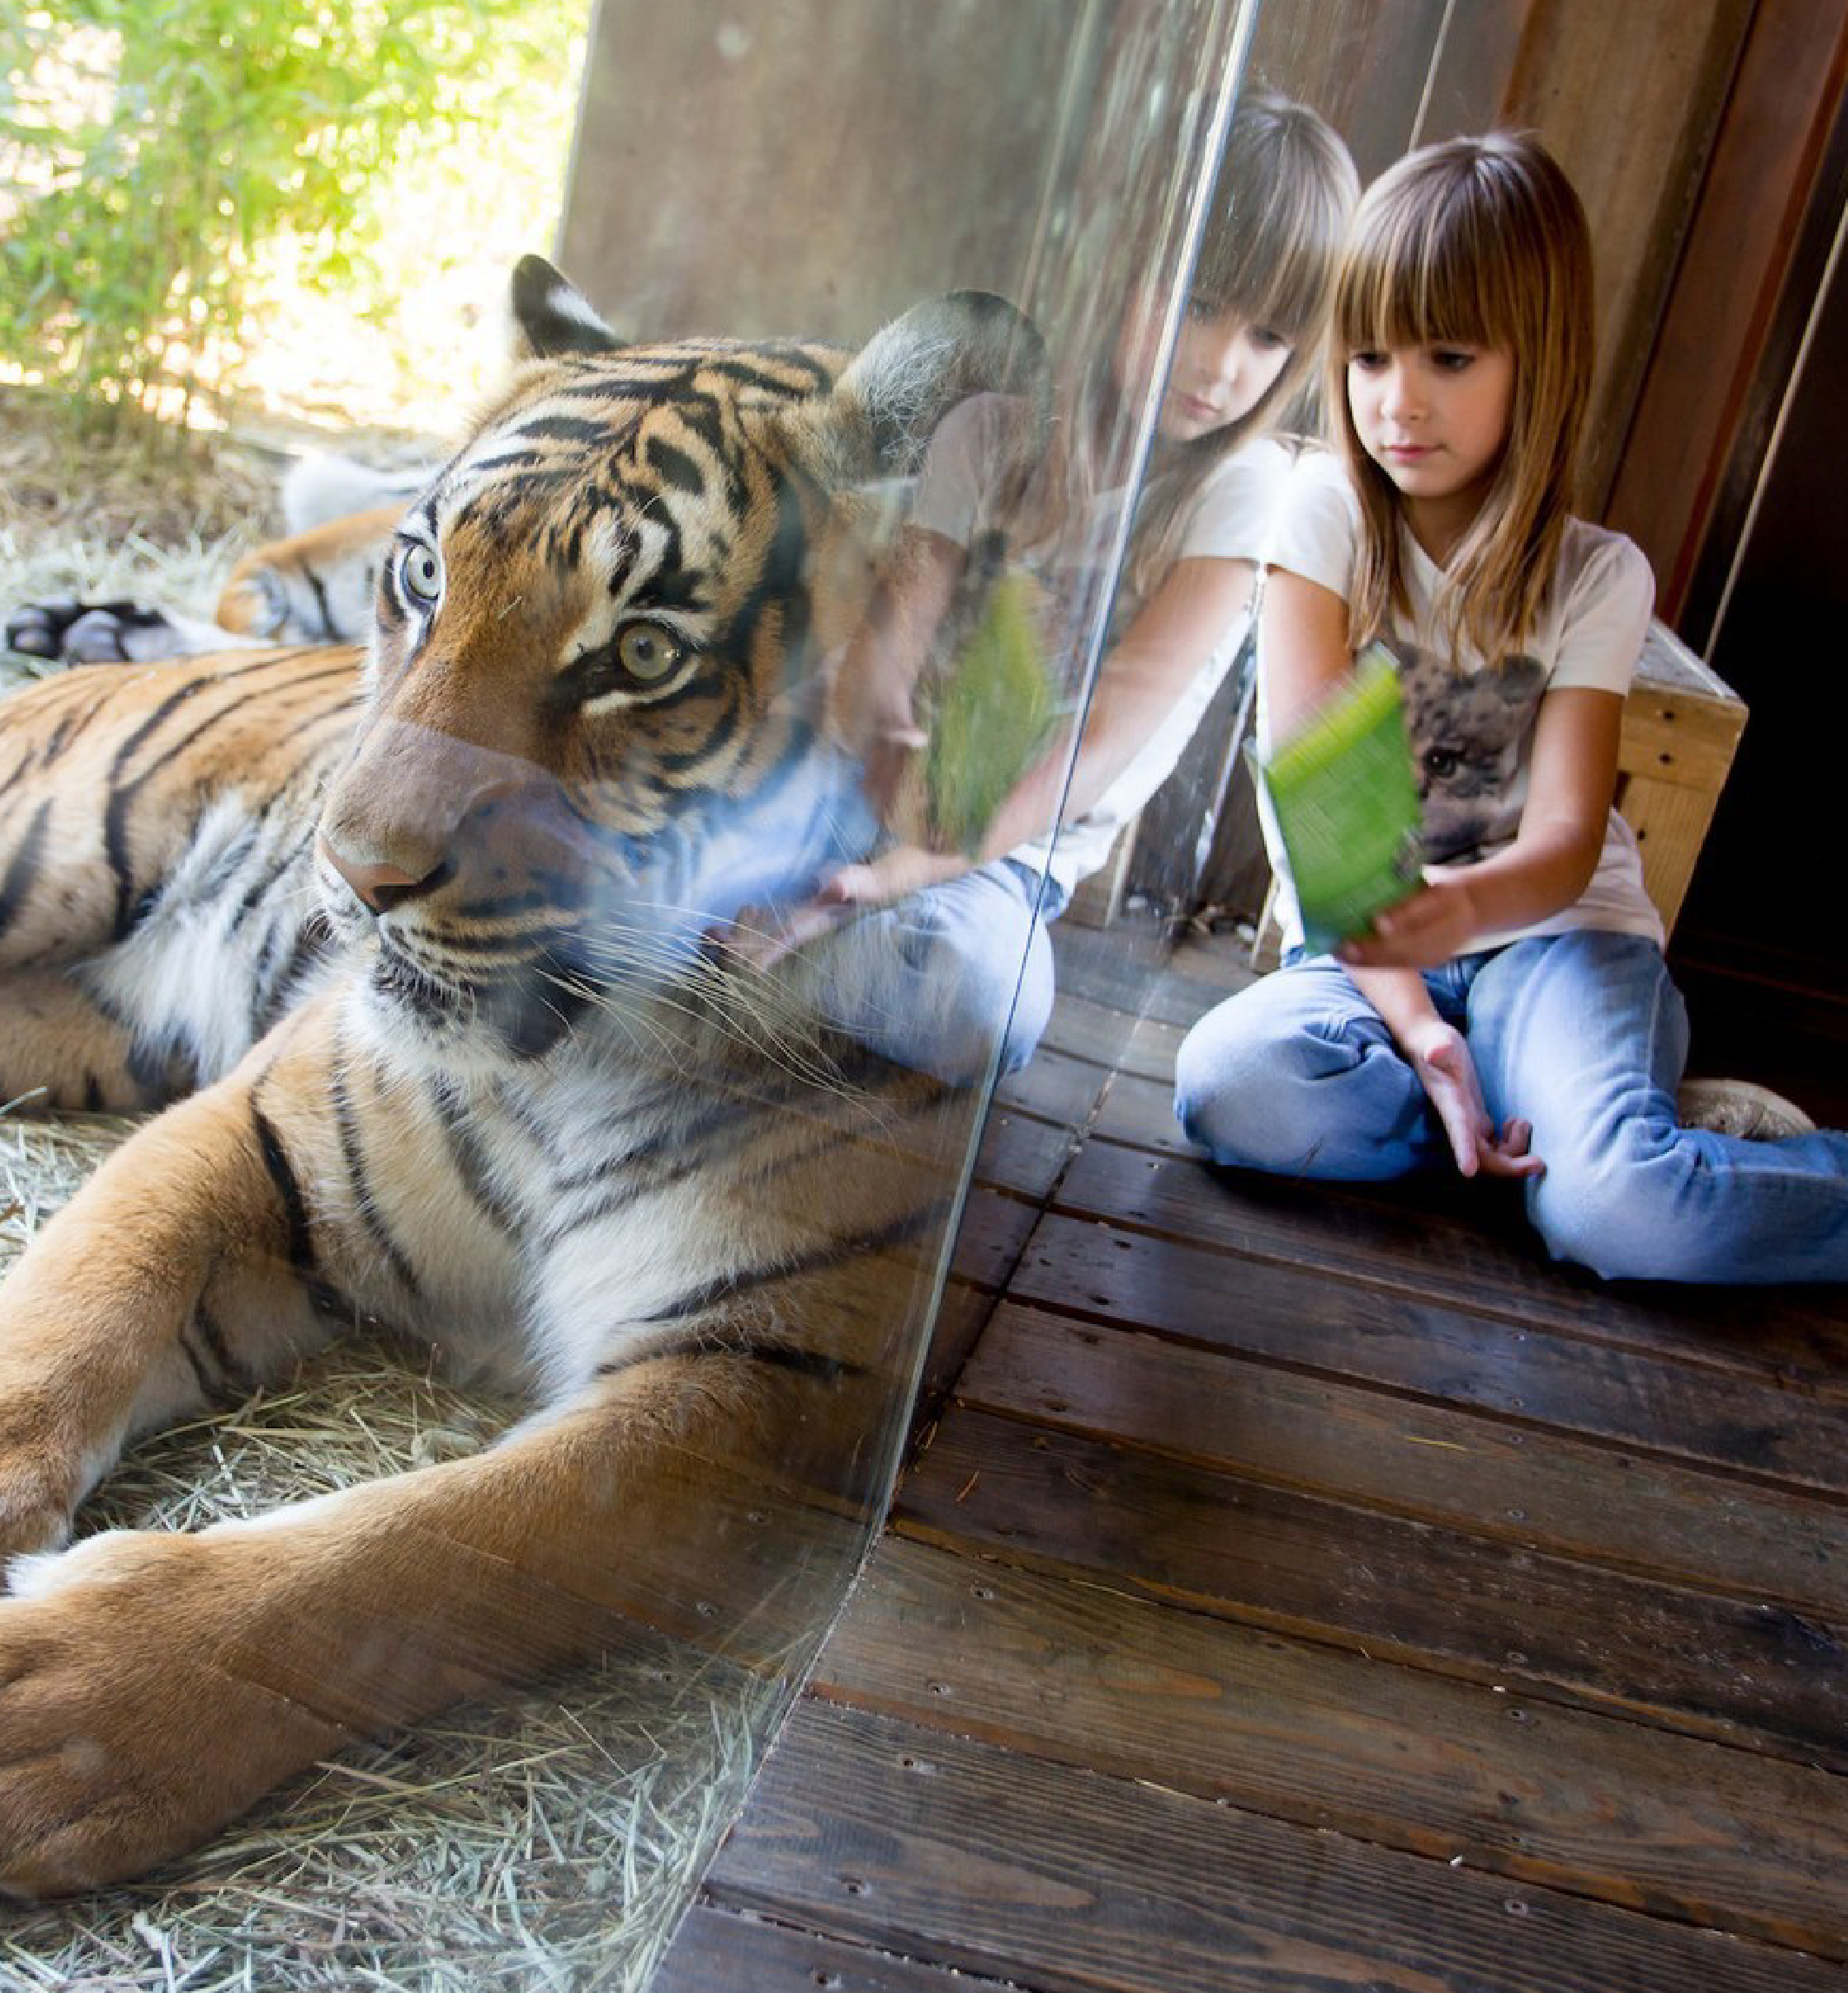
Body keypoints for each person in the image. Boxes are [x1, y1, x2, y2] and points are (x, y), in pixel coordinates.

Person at [1170, 131, 1848, 1285]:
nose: (1396, 401)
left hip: (1556, 941)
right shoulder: (1320, 517)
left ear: (1535, 357)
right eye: (1369, 357)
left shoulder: (1597, 576)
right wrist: (1423, 1028)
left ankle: (1589, 1149)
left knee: (1630, 1216)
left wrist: (1454, 908)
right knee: (1229, 1087)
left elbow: (1563, 843)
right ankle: (1538, 1122)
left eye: (1445, 355)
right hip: (1371, 956)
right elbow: (1331, 834)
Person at [772, 90, 1359, 1084]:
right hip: (847, 789)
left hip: (997, 862)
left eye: (1269, 338)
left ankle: (768, 957)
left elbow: (1092, 749)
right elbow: (889, 645)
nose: (1221, 366)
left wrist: (901, 869)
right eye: (1198, 304)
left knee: (977, 1002)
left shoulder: (1247, 493)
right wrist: (865, 742)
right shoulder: (994, 429)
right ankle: (764, 937)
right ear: (1125, 259)